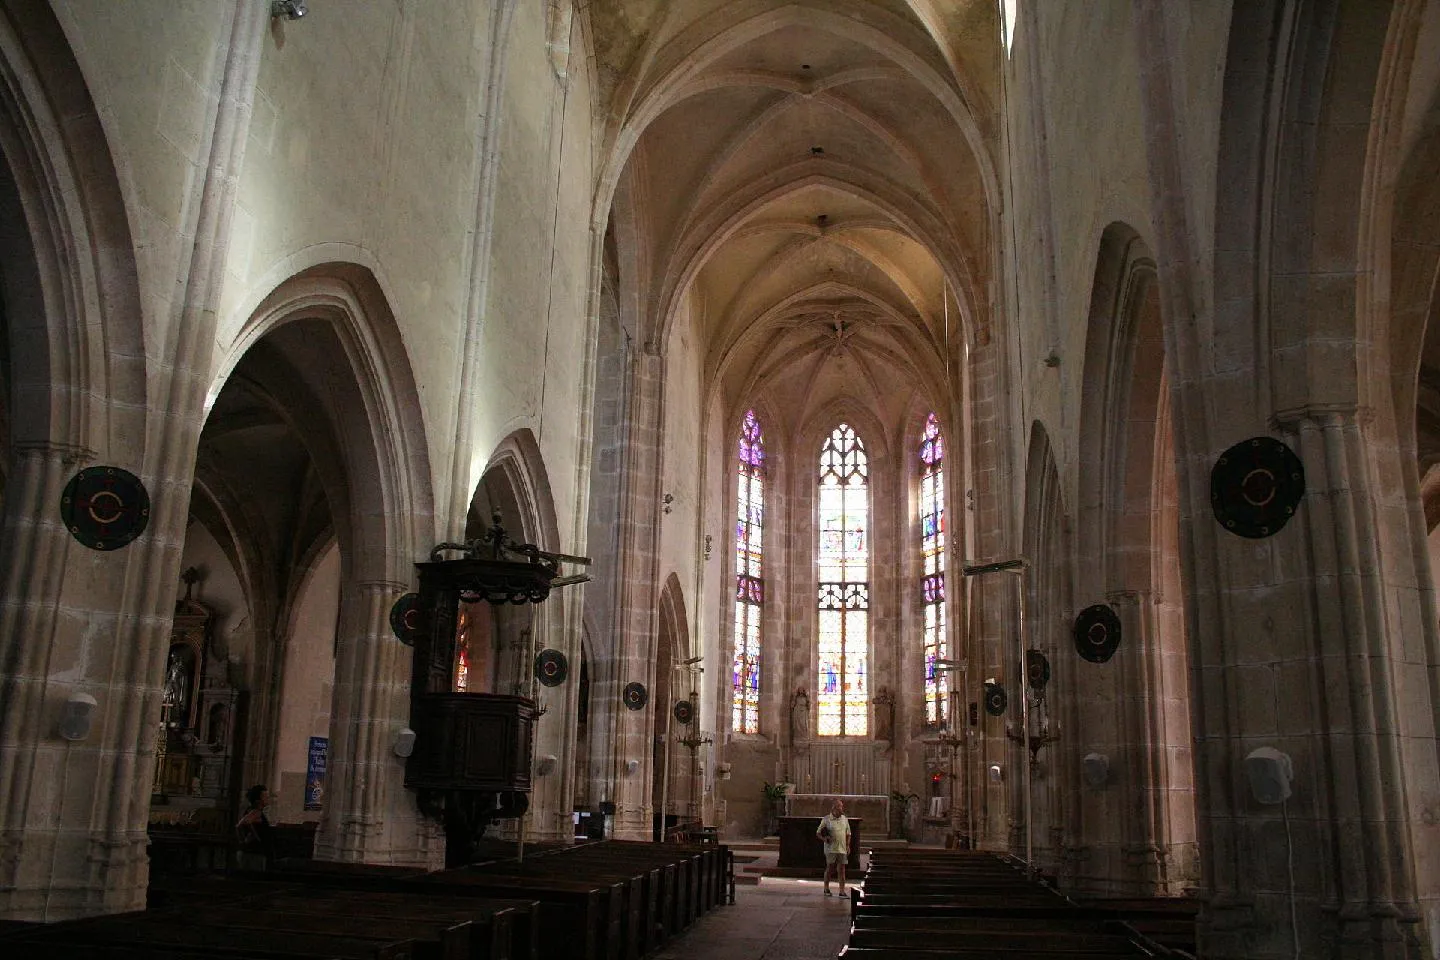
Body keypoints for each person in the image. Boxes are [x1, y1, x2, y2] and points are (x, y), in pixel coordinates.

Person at [236, 783, 276, 870]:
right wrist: (252, 837)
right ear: (258, 800)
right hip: (253, 855)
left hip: (255, 854)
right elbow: (241, 824)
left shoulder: (257, 812)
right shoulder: (256, 812)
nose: (268, 798)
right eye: (265, 796)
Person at [816, 797, 851, 896]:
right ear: (834, 808)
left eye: (842, 806)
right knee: (830, 868)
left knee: (842, 870)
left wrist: (848, 845)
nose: (841, 808)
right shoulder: (826, 819)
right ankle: (826, 888)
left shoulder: (844, 819)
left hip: (842, 848)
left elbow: (848, 833)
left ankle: (842, 891)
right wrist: (824, 839)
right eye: (839, 806)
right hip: (830, 848)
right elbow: (818, 833)